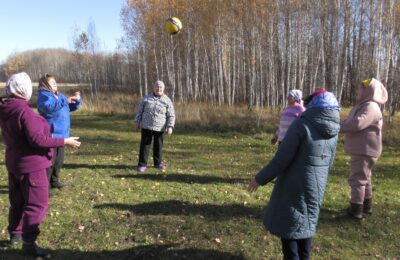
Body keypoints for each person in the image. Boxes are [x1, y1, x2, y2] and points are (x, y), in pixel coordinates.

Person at [248, 90, 340, 260]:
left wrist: (259, 179)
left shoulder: (301, 125)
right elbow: (329, 162)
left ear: (313, 104)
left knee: (289, 228)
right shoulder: (334, 129)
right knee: (306, 225)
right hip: (317, 186)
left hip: (293, 186)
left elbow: (281, 160)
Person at [0, 72, 81, 257]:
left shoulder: (7, 108)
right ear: (24, 89)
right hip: (31, 166)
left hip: (14, 162)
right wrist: (64, 141)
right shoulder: (24, 112)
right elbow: (38, 139)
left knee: (18, 202)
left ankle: (15, 234)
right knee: (37, 204)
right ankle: (29, 243)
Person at [340, 78, 388, 219]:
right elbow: (351, 121)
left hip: (365, 150)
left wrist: (337, 126)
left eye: (361, 88)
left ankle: (355, 210)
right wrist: (341, 122)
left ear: (369, 91)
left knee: (358, 179)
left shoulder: (370, 107)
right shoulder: (363, 106)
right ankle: (366, 206)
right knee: (365, 178)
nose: (358, 91)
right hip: (363, 149)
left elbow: (357, 124)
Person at [37, 74, 82, 193]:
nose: (55, 84)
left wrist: (76, 101)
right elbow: (48, 107)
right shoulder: (43, 96)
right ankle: (44, 187)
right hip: (51, 135)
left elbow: (68, 107)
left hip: (62, 135)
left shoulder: (60, 95)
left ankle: (54, 181)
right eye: (52, 83)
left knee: (59, 161)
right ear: (45, 84)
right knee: (49, 162)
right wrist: (64, 101)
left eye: (56, 82)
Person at [134, 80, 175, 172]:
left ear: (163, 89)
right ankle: (142, 164)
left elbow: (171, 115)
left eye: (160, 87)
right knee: (144, 146)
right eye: (157, 87)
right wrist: (137, 123)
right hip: (146, 126)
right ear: (153, 88)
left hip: (160, 128)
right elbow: (139, 112)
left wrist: (170, 127)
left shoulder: (167, 100)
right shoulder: (146, 98)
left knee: (158, 146)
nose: (158, 89)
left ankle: (158, 163)